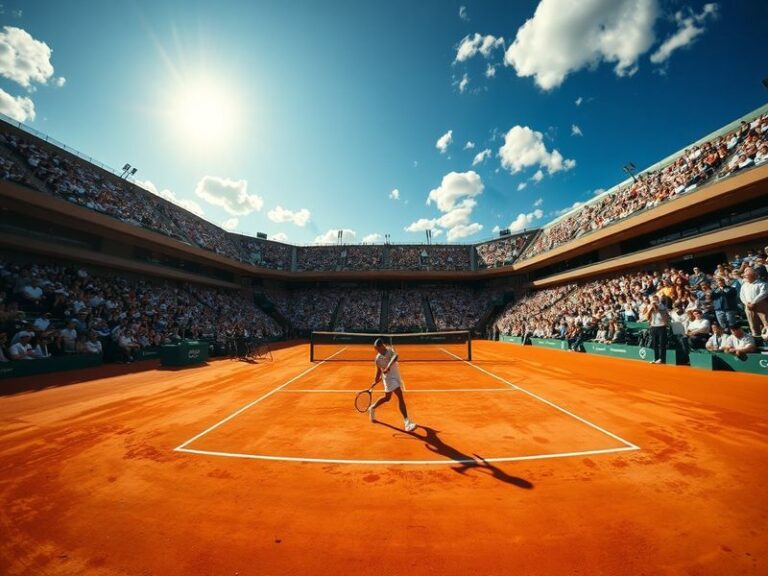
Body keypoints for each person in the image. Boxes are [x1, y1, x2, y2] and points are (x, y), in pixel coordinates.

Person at [368, 338, 416, 432]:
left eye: (377, 348)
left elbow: (395, 357)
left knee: (387, 398)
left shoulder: (390, 350)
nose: (377, 351)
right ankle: (407, 423)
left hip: (396, 376)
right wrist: (376, 380)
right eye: (375, 349)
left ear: (382, 346)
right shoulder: (377, 359)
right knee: (400, 396)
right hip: (389, 380)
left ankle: (372, 407)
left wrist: (388, 367)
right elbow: (378, 371)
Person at [739, 267, 768, 338]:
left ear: (753, 276)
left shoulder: (761, 284)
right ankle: (756, 337)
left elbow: (764, 293)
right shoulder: (744, 285)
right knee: (752, 323)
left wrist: (753, 302)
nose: (745, 277)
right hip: (748, 306)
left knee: (766, 322)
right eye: (745, 276)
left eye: (747, 276)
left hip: (760, 305)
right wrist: (746, 303)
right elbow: (741, 295)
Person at [647, 295, 669, 364]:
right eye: (653, 300)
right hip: (653, 327)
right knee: (654, 344)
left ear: (658, 300)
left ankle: (661, 359)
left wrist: (657, 308)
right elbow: (647, 317)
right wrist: (651, 309)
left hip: (661, 326)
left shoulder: (662, 306)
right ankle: (656, 358)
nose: (654, 301)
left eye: (656, 299)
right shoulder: (649, 306)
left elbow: (665, 316)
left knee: (662, 344)